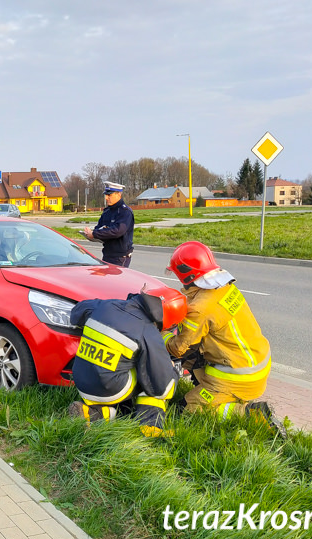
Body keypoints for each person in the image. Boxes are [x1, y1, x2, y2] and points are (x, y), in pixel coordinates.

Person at [163, 241, 284, 436]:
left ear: (187, 274)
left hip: (239, 374)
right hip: (256, 360)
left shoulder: (201, 308)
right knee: (193, 358)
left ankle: (248, 413)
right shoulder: (224, 287)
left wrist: (163, 335)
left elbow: (178, 348)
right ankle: (222, 395)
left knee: (189, 408)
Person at [68, 287, 187, 437]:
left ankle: (93, 414)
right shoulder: (147, 331)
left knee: (126, 363)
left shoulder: (106, 305)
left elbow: (76, 313)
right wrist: (172, 372)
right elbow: (162, 387)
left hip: (80, 379)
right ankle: (150, 427)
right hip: (110, 389)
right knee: (154, 380)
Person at [81, 181, 134, 267]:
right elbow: (99, 228)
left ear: (118, 195)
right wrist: (90, 233)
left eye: (109, 195)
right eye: (106, 195)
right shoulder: (107, 212)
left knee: (116, 280)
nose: (106, 198)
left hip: (120, 257)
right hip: (107, 254)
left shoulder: (125, 212)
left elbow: (118, 231)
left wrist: (94, 234)